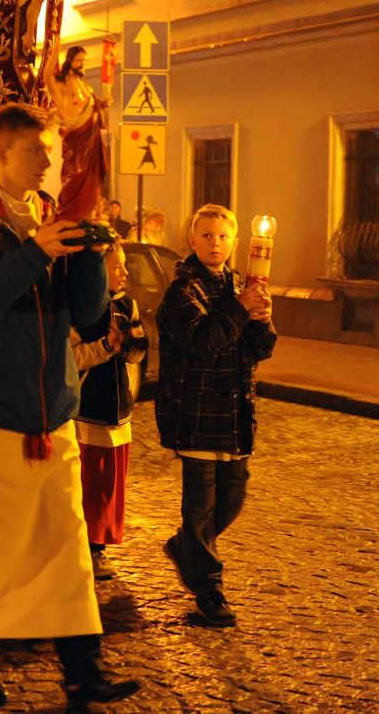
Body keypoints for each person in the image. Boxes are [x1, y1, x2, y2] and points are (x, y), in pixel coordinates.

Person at [0, 103, 139, 709]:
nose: (49, 163)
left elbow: (89, 316)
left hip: (52, 407)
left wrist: (91, 252)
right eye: (36, 152)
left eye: (51, 152)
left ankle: (83, 672)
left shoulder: (52, 214)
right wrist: (36, 252)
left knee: (66, 548)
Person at [156, 203, 276, 628]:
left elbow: (257, 351)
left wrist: (263, 321)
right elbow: (202, 342)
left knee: (232, 498)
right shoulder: (182, 291)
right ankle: (209, 591)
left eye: (223, 236)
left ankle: (185, 547)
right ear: (192, 241)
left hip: (234, 414)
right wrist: (240, 309)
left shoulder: (240, 285)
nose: (215, 244)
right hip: (196, 411)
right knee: (201, 507)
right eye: (206, 236)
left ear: (236, 243)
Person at [70, 243, 147, 580]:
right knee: (89, 482)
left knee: (111, 484)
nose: (125, 273)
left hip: (118, 409)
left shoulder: (127, 305)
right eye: (117, 267)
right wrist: (104, 346)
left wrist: (132, 345)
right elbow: (70, 359)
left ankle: (100, 541)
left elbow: (137, 354)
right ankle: (88, 545)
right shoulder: (82, 310)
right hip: (88, 409)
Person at [45, 44, 111, 223]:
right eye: (79, 60)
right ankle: (71, 213)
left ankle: (88, 215)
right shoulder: (62, 83)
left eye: (84, 60)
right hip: (75, 135)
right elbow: (47, 76)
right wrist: (54, 50)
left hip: (91, 136)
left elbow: (94, 105)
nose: (82, 64)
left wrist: (102, 104)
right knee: (75, 174)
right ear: (70, 60)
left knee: (91, 178)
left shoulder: (84, 85)